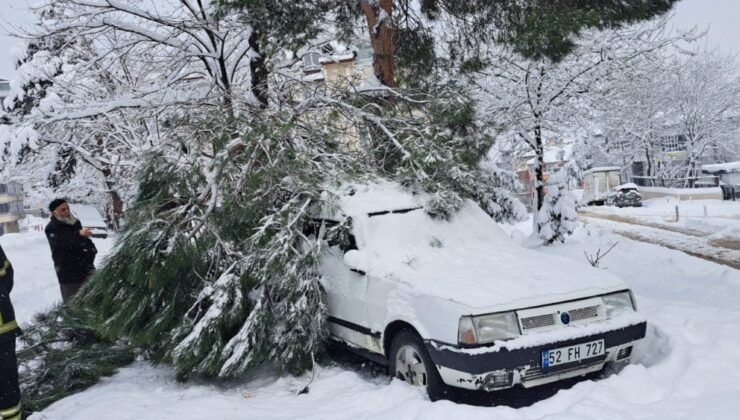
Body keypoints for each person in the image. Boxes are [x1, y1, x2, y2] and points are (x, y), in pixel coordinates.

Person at [45, 198, 97, 303]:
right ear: (54, 212)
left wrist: (92, 250)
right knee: (74, 307)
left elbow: (83, 241)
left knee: (95, 302)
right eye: (62, 210)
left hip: (87, 269)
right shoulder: (51, 228)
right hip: (69, 274)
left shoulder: (75, 222)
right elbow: (63, 242)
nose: (67, 211)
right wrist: (79, 234)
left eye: (67, 208)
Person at [0, 245, 22, 420]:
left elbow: (7, 273)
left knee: (7, 386)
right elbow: (8, 276)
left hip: (4, 332)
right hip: (4, 330)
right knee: (7, 384)